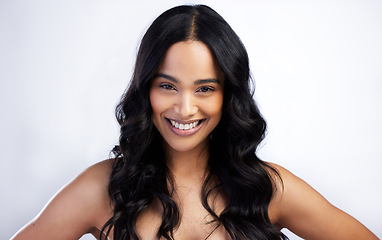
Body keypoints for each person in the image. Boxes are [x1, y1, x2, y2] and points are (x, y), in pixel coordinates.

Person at [12, 4, 378, 240]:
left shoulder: (268, 189)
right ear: (146, 90)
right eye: (168, 85)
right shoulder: (102, 188)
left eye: (204, 88)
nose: (185, 108)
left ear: (227, 96)